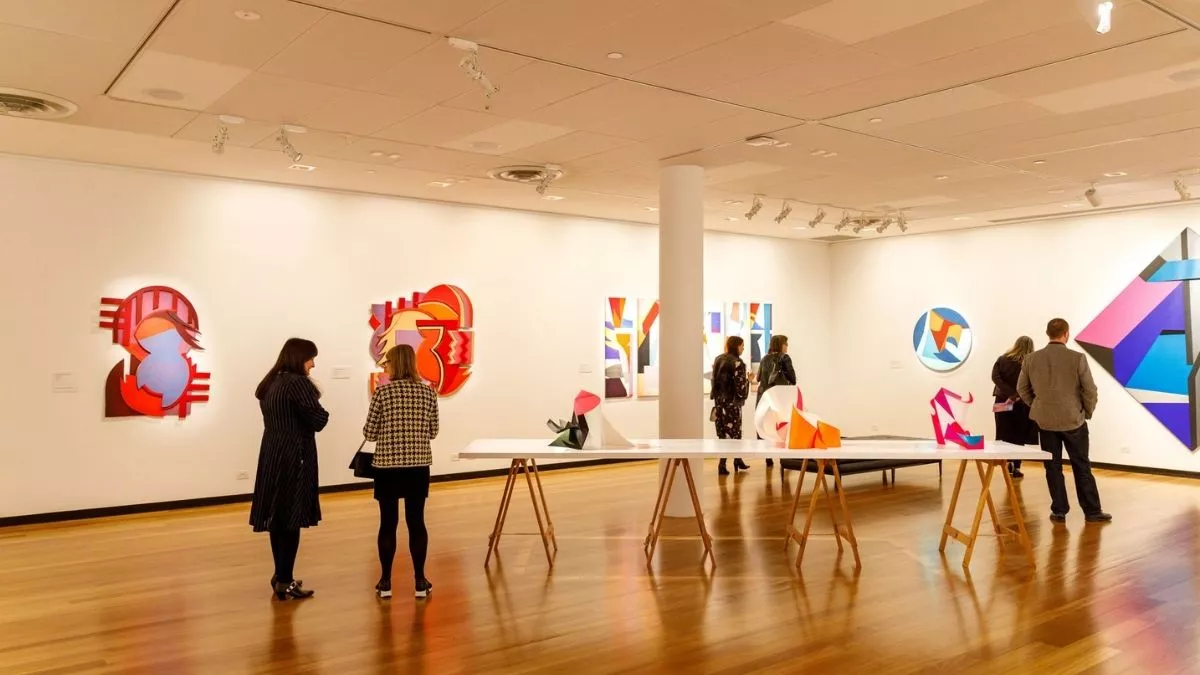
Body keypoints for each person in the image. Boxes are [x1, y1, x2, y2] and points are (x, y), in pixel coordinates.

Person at [249, 338, 329, 601]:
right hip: (295, 455)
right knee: (292, 517)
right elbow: (319, 420)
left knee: (278, 515)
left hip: (272, 452)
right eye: (310, 358)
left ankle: (281, 575)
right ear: (299, 358)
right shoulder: (298, 383)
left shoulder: (271, 382)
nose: (313, 364)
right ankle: (285, 580)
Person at [1017, 318, 1111, 523]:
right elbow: (1090, 390)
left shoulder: (1031, 359)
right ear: (1066, 334)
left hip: (1045, 421)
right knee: (1081, 465)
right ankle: (1092, 511)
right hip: (1073, 419)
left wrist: (1037, 405)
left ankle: (1059, 510)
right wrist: (1086, 411)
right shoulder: (1077, 358)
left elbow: (1022, 388)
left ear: (1047, 333)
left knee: (1052, 467)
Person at [363, 344, 438, 600]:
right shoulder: (427, 393)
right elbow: (433, 432)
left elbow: (369, 433)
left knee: (388, 523)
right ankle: (420, 581)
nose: (385, 367)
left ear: (395, 364)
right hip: (418, 466)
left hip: (387, 467)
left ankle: (385, 581)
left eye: (387, 363)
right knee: (416, 522)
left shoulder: (383, 393)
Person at [991, 336, 1039, 478]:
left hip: (1002, 401)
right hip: (1021, 403)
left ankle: (1006, 463)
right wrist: (1017, 395)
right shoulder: (1031, 362)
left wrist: (1009, 394)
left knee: (1003, 432)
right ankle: (1016, 467)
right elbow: (1033, 383)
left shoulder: (1002, 359)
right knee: (1019, 436)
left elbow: (995, 377)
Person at [756, 335, 797, 467]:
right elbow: (793, 379)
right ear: (781, 345)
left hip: (764, 397)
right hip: (779, 397)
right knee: (782, 426)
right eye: (786, 343)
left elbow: (758, 378)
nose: (787, 346)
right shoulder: (785, 358)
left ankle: (768, 457)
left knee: (767, 425)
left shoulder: (764, 359)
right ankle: (784, 457)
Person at [712, 336, 750, 475]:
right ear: (737, 346)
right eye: (742, 345)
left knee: (723, 434)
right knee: (735, 433)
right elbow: (741, 390)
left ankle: (734, 460)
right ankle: (726, 464)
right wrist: (748, 380)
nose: (743, 348)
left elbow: (714, 381)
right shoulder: (738, 363)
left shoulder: (718, 359)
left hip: (719, 402)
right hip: (732, 403)